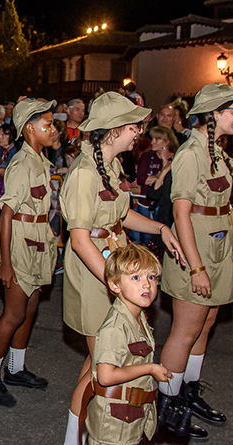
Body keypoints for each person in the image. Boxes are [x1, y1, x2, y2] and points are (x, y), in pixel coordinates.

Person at [59, 92, 184, 445]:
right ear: (112, 130)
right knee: (100, 369)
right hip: (96, 273)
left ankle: (79, 435)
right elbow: (81, 239)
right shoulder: (84, 173)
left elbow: (120, 215)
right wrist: (117, 284)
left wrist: (160, 227)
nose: (139, 133)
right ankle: (75, 438)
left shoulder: (109, 165)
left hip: (114, 267)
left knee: (96, 365)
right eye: (134, 127)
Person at [157, 84, 233, 441]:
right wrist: (196, 268)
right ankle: (167, 408)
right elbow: (181, 212)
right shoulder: (192, 153)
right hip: (196, 246)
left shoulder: (218, 149)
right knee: (185, 330)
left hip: (219, 242)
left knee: (206, 323)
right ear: (215, 114)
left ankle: (188, 394)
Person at [0, 99, 58, 408]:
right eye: (47, 125)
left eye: (52, 124)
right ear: (30, 128)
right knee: (13, 314)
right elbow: (6, 215)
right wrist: (6, 263)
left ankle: (16, 369)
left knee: (30, 310)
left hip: (37, 242)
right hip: (20, 246)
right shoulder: (22, 164)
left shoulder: (40, 160)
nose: (52, 129)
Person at [85, 243, 171, 445]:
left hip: (130, 416)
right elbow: (106, 376)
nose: (146, 285)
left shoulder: (139, 315)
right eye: (135, 278)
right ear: (115, 285)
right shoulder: (115, 328)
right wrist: (150, 368)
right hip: (113, 428)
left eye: (152, 277)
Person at [145, 126, 179, 256]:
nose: (152, 142)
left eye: (157, 139)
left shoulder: (178, 161)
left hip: (172, 217)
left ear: (167, 141)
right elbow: (153, 193)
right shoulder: (152, 157)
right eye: (152, 138)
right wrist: (164, 168)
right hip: (162, 215)